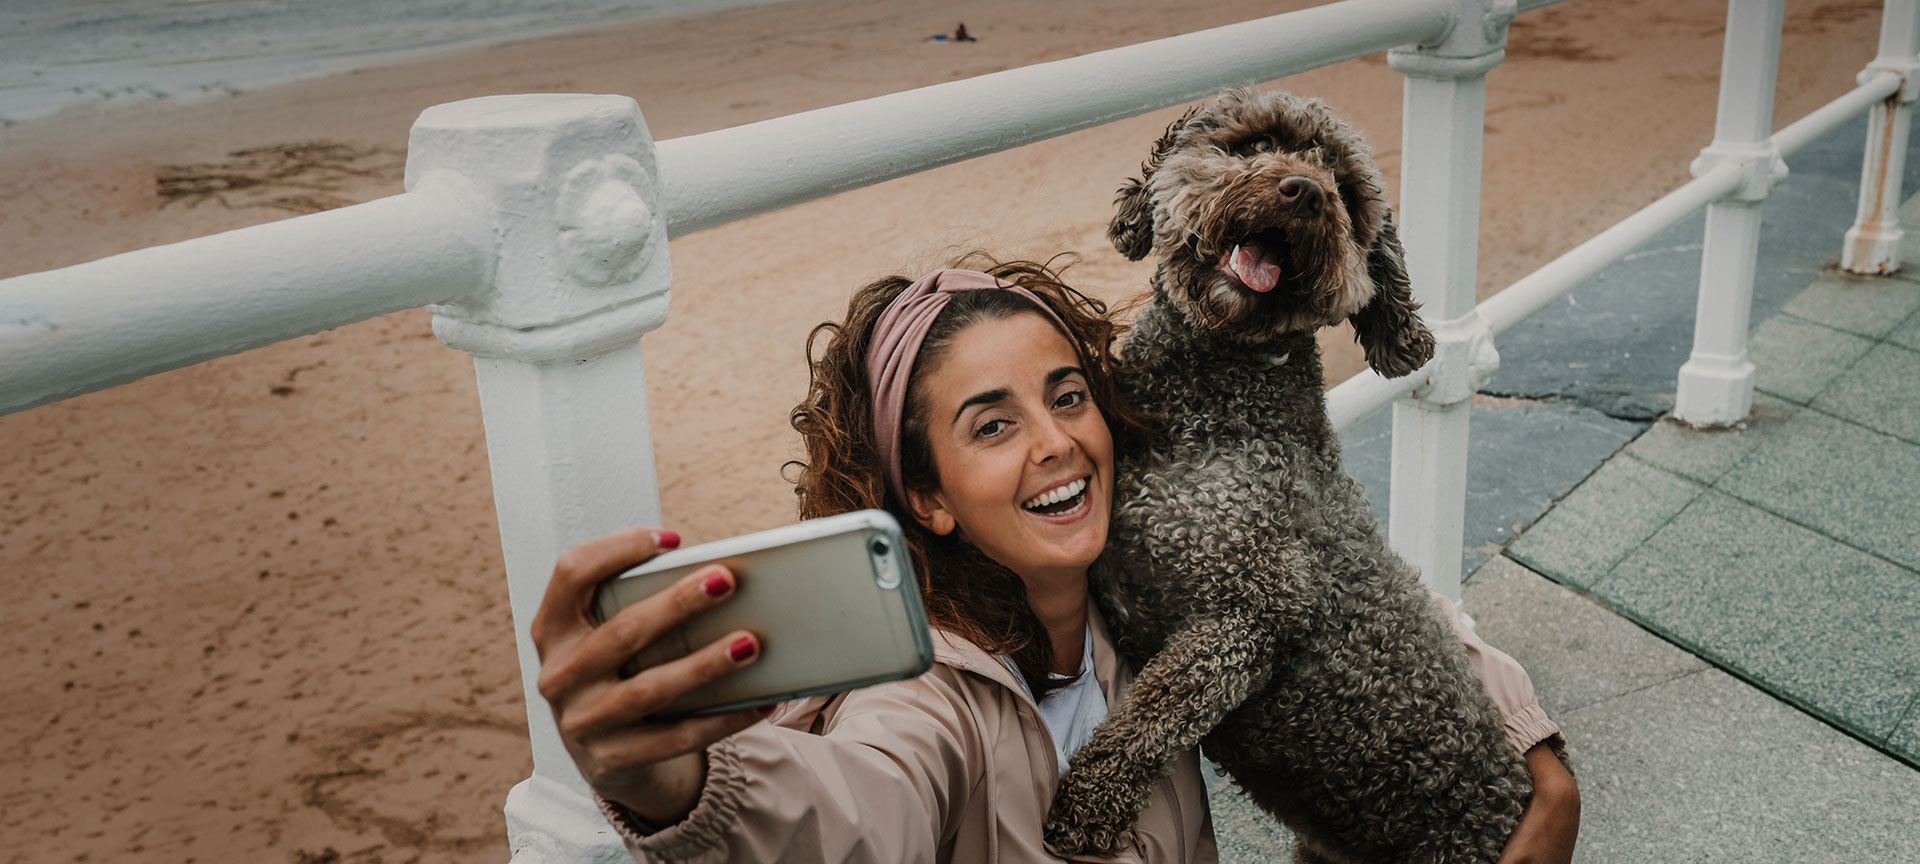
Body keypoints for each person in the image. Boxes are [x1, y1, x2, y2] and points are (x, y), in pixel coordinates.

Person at [531, 260, 1580, 863]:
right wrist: (677, 787)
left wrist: (1536, 755)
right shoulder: (927, 695)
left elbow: (1370, 606)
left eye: (1067, 396)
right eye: (992, 426)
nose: (1057, 443)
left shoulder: (1133, 593)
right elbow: (849, 816)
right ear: (929, 498)